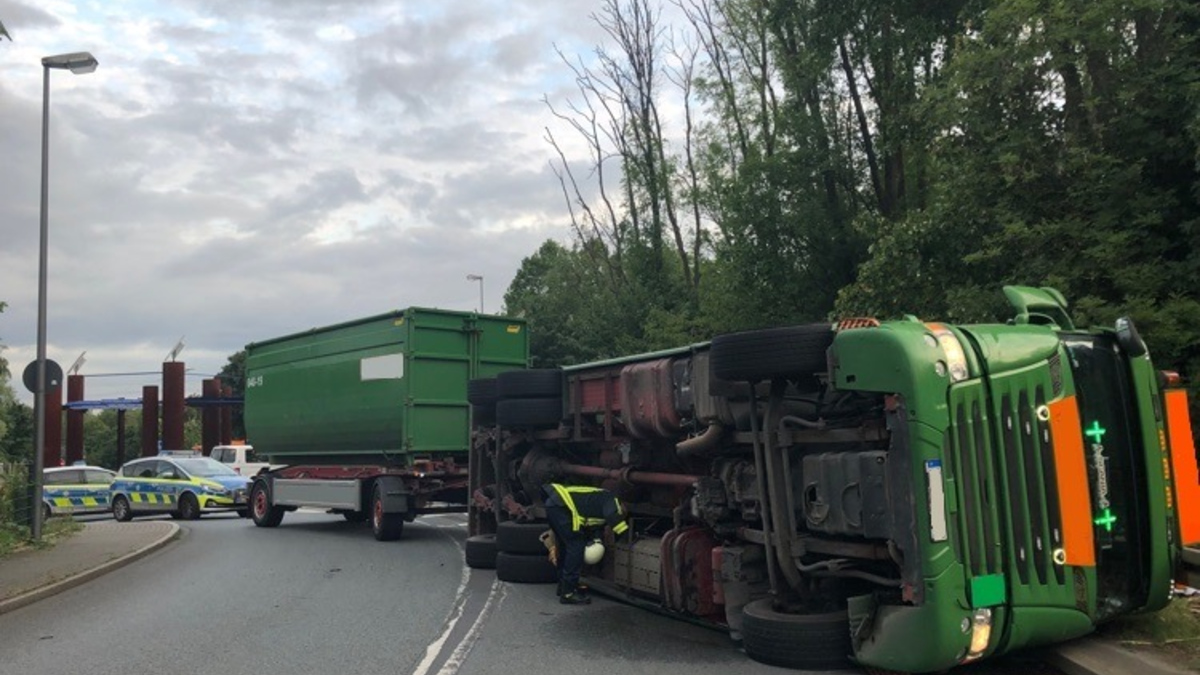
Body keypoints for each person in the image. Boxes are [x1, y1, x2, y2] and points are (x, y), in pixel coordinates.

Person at [541, 483, 628, 605]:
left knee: (565, 547)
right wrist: (627, 534)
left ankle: (563, 587)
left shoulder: (598, 503)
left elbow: (593, 527)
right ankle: (568, 593)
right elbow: (612, 516)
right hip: (563, 506)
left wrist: (597, 540)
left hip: (555, 505)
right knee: (576, 546)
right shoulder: (612, 500)